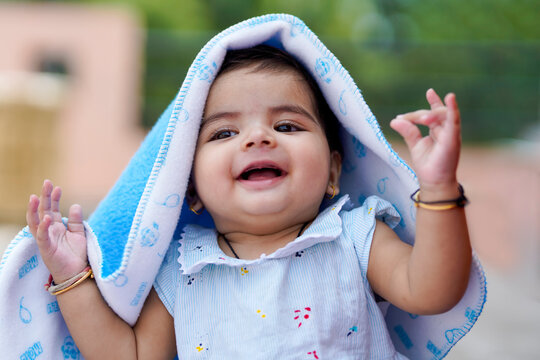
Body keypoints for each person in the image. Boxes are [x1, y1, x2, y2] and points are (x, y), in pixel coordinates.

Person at [26, 43, 472, 359]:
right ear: (192, 190)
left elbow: (433, 290)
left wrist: (438, 190)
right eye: (224, 133)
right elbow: (132, 356)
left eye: (287, 126)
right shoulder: (184, 269)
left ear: (333, 172)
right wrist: (73, 278)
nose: (258, 137)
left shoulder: (354, 236)